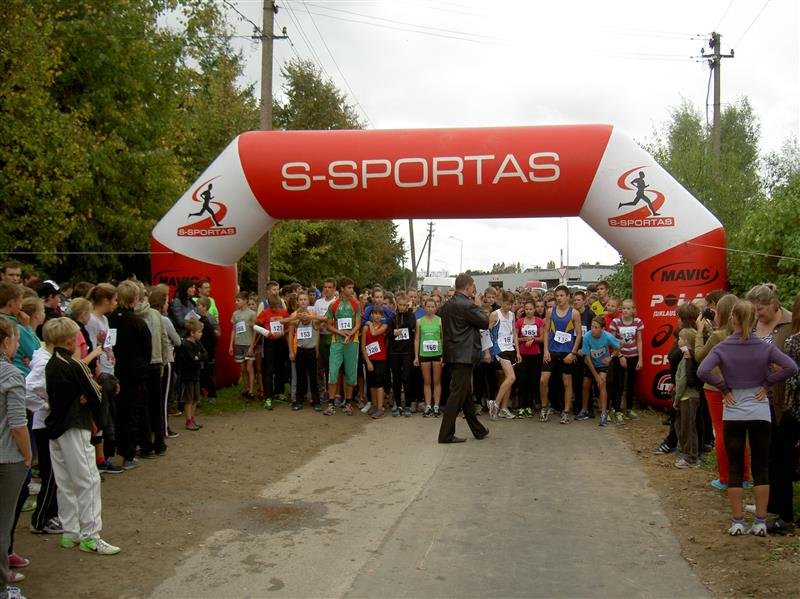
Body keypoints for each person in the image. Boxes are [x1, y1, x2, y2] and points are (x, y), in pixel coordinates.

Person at [697, 300, 797, 536]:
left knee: (735, 467)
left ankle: (737, 521)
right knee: (761, 467)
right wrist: (767, 383)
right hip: (760, 407)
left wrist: (724, 388)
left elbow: (702, 371)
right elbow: (791, 367)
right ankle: (760, 521)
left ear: (732, 319)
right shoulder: (764, 347)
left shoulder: (723, 347)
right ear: (754, 320)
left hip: (734, 407)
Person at [44, 318, 120, 555]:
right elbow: (96, 394)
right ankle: (91, 535)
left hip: (56, 427)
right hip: (75, 425)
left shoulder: (52, 363)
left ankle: (71, 531)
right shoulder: (74, 365)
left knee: (65, 481)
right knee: (88, 479)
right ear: (70, 341)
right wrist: (92, 395)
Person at [746, 283, 797, 534]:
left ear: (774, 304)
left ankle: (780, 510)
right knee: (762, 454)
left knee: (778, 455)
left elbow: (791, 365)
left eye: (761, 309)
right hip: (754, 397)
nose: (757, 314)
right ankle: (767, 503)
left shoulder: (790, 324)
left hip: (779, 400)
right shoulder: (753, 325)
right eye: (754, 310)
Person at [694, 294, 750, 490]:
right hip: (740, 387)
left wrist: (699, 332)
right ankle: (744, 476)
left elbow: (699, 356)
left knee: (722, 432)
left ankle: (725, 477)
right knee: (740, 432)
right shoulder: (747, 335)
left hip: (716, 388)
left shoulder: (718, 336)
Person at [437, 274, 490, 444]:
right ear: (467, 287)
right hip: (464, 356)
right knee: (457, 396)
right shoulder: (468, 305)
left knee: (465, 394)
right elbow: (485, 322)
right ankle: (445, 435)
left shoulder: (447, 305)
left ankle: (478, 430)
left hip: (453, 355)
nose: (474, 289)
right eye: (473, 286)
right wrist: (479, 306)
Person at [0, 319, 31, 597]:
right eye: (16, 339)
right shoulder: (10, 374)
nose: (18, 344)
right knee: (3, 524)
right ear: (5, 341)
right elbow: (18, 424)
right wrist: (28, 455)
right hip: (7, 458)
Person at [540, 285, 583, 424]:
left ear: (568, 296)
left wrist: (573, 353)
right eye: (557, 296)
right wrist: (546, 350)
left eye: (561, 295)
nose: (559, 298)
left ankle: (566, 411)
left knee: (567, 382)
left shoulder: (574, 313)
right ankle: (544, 407)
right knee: (543, 380)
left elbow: (579, 334)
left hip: (567, 352)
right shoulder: (550, 311)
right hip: (552, 351)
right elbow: (546, 331)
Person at [324, 278, 361, 416]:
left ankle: (348, 403)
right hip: (336, 342)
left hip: (352, 342)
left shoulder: (356, 304)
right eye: (349, 288)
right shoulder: (333, 305)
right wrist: (340, 332)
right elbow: (328, 325)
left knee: (350, 373)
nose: (352, 290)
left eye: (352, 288)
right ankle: (331, 403)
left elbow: (358, 324)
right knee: (333, 372)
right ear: (342, 289)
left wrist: (350, 334)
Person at [487, 290, 521, 420]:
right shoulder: (495, 314)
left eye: (510, 304)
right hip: (499, 348)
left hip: (510, 348)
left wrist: (518, 351)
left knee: (507, 379)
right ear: (501, 302)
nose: (508, 306)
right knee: (511, 377)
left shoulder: (512, 315)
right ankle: (495, 404)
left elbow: (514, 333)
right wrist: (488, 351)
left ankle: (504, 408)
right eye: (506, 304)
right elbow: (486, 332)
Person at [581, 316, 621, 427]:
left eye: (596, 327)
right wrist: (595, 375)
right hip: (590, 363)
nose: (593, 329)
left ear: (602, 329)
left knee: (601, 383)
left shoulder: (607, 336)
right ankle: (584, 410)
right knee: (585, 385)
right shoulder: (587, 336)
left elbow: (620, 345)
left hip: (602, 365)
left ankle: (604, 413)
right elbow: (587, 358)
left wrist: (611, 357)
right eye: (592, 326)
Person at [609, 299, 644, 420]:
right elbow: (612, 341)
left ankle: (629, 408)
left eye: (628, 308)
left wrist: (640, 359)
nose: (625, 311)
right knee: (618, 383)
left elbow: (639, 341)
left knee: (631, 383)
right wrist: (620, 355)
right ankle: (616, 409)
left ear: (633, 310)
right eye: (623, 308)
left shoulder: (638, 322)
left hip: (633, 356)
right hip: (619, 357)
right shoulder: (616, 322)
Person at [673, 328, 702, 467]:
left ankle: (691, 457)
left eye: (679, 338)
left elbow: (682, 380)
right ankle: (686, 452)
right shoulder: (690, 355)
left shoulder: (687, 357)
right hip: (688, 397)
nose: (678, 341)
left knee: (688, 428)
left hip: (688, 397)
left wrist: (676, 399)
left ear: (685, 341)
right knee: (682, 426)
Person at [287, 293, 320, 412]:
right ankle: (298, 401)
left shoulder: (313, 314)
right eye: (300, 299)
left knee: (313, 377)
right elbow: (290, 334)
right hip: (299, 350)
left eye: (305, 299)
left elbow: (318, 332)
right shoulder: (294, 315)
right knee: (300, 377)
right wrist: (291, 351)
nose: (303, 301)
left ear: (308, 301)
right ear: (297, 301)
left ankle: (316, 401)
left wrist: (317, 349)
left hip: (311, 349)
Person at [386, 292, 416, 417]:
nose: (402, 307)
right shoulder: (393, 318)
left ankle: (407, 405)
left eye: (405, 305)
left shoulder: (411, 316)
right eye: (400, 305)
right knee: (397, 379)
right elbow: (388, 333)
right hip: (395, 352)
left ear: (407, 305)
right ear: (397, 305)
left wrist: (409, 311)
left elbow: (412, 326)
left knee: (407, 378)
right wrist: (394, 333)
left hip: (407, 352)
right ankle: (398, 404)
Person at [175, 320, 207, 431]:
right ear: (192, 333)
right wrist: (197, 358)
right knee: (189, 399)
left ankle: (192, 419)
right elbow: (191, 360)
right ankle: (188, 420)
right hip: (188, 376)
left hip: (196, 375)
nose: (201, 334)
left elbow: (205, 354)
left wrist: (198, 357)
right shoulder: (186, 345)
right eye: (199, 332)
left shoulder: (198, 343)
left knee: (195, 398)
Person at [414, 298, 443, 417]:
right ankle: (428, 405)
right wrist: (416, 356)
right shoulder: (419, 321)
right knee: (427, 381)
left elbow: (443, 338)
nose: (430, 309)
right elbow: (417, 339)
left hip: (437, 354)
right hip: (424, 354)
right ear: (424, 307)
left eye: (432, 307)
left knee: (436, 381)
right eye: (428, 306)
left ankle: (436, 406)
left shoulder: (440, 320)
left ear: (436, 308)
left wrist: (444, 355)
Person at [515, 299, 544, 418]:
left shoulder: (539, 321)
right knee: (522, 380)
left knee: (533, 381)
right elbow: (515, 338)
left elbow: (542, 338)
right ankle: (521, 406)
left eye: (531, 309)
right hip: (522, 354)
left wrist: (533, 339)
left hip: (535, 355)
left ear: (534, 309)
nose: (528, 311)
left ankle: (529, 406)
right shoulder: (519, 322)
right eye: (526, 309)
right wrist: (523, 339)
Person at [362, 307, 389, 418]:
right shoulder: (365, 328)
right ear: (371, 315)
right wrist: (367, 361)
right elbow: (363, 346)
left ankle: (380, 407)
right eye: (375, 313)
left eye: (379, 314)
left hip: (381, 359)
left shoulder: (384, 326)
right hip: (370, 359)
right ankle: (374, 404)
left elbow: (374, 333)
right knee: (371, 383)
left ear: (382, 316)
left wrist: (369, 324)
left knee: (379, 383)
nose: (377, 316)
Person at [230, 291, 256, 401]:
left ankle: (251, 391)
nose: (236, 302)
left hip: (248, 344)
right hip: (238, 344)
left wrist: (252, 346)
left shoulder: (252, 314)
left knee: (249, 368)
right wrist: (231, 345)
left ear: (245, 301)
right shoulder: (235, 314)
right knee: (243, 369)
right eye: (236, 300)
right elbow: (234, 330)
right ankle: (246, 388)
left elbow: (255, 331)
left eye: (238, 300)